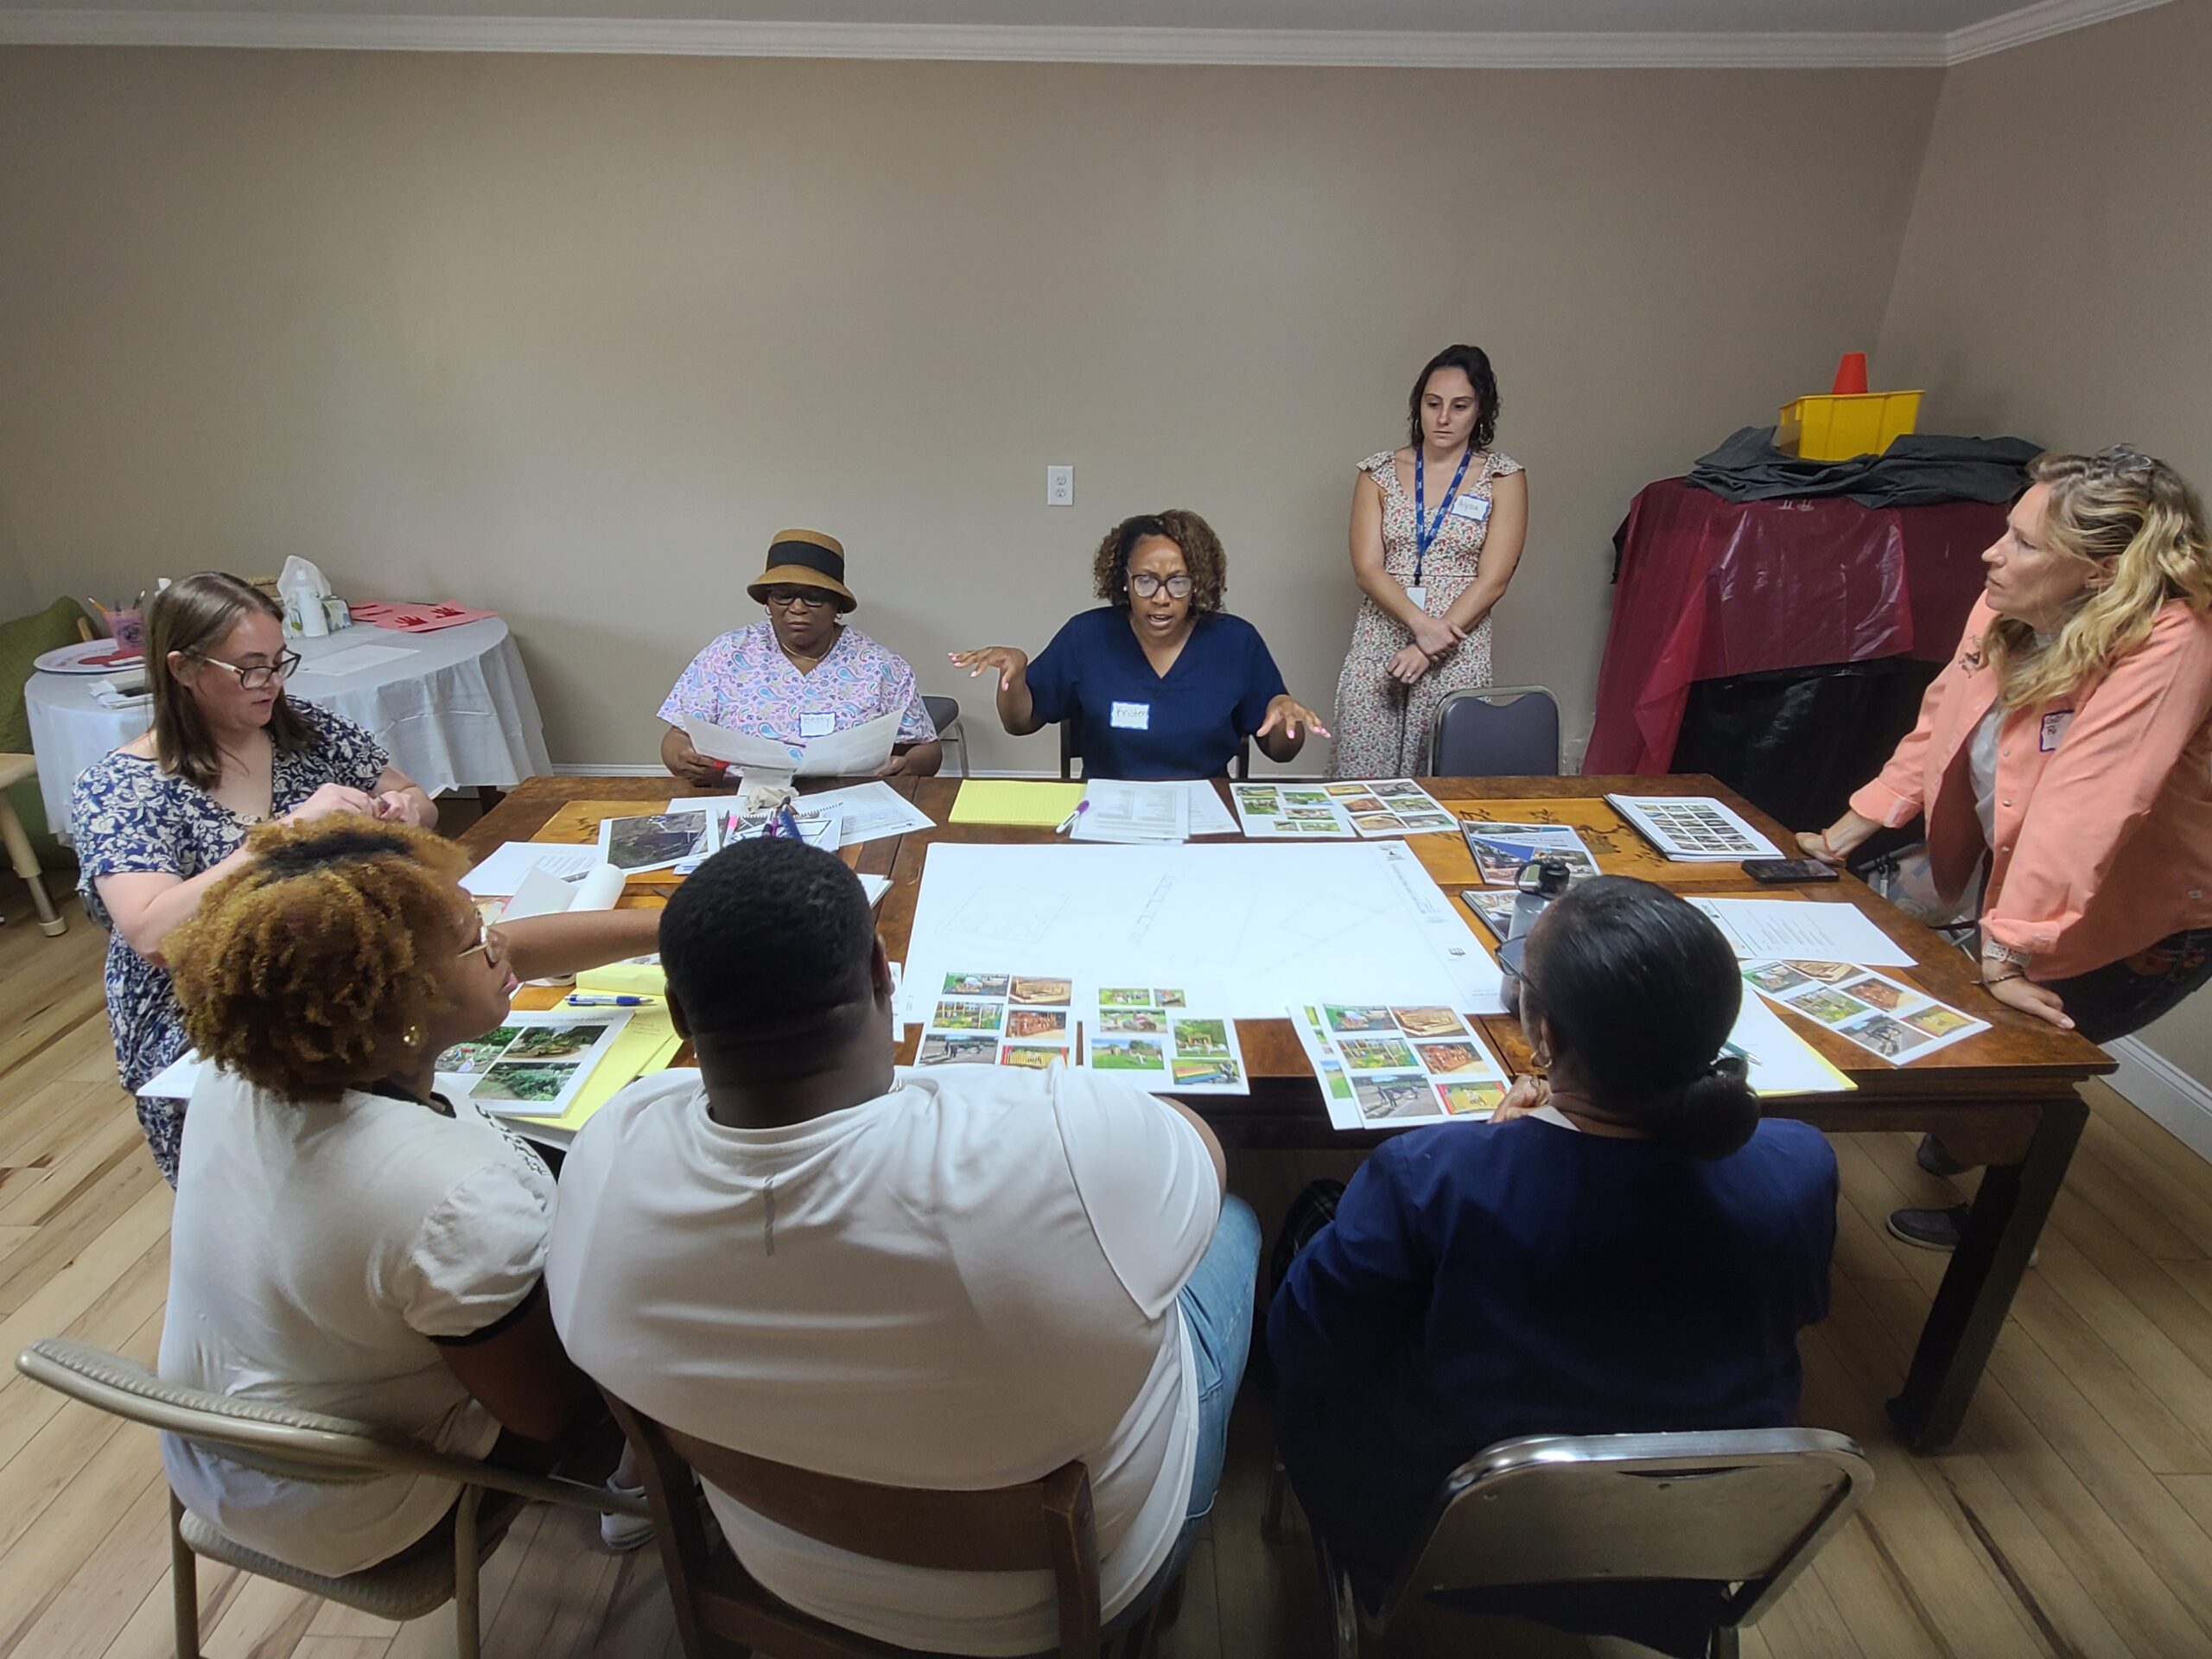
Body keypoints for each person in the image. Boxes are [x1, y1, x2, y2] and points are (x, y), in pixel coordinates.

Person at [545, 838, 1262, 1655]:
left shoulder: (603, 1158)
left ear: (678, 1014)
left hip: (780, 1559)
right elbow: (1201, 1147)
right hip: (1072, 1596)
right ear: (884, 974)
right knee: (1231, 1219)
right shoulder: (1066, 1143)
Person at [1268, 877, 1835, 1649]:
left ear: (1546, 1038)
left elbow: (1307, 1341)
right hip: (1690, 1538)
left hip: (1435, 1522)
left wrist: (1495, 1148)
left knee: (1314, 1229)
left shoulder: (1435, 1174)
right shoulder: (1801, 1165)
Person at [157, 817, 663, 1577]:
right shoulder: (442, 1194)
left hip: (219, 1451)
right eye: (475, 938)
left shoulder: (255, 1058)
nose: (501, 945)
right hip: (363, 1508)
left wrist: (682, 922)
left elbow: (508, 950)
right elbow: (550, 1411)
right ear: (398, 999)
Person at [1801, 447, 2212, 1250]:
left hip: (2143, 913)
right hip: (2021, 872)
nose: (1993, 552)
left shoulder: (2175, 640)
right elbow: (1940, 721)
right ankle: (1960, 1132)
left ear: (2099, 573)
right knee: (1945, 1051)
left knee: (2009, 1075)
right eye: (2006, 531)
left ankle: (1993, 1231)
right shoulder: (2003, 605)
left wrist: (2007, 952)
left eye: (2025, 542)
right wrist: (1845, 833)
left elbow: (2088, 804)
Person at [71, 571, 436, 1185]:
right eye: (249, 668)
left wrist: (406, 812)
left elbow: (409, 793)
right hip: (208, 1017)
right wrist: (282, 836)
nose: (271, 683)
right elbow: (152, 933)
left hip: (332, 972)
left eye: (278, 662)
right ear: (183, 669)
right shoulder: (122, 788)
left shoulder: (302, 733)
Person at [950, 510, 1328, 780]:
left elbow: (1281, 752)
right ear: (1123, 582)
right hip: (1105, 814)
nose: (1161, 597)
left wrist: (1286, 716)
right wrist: (1014, 677)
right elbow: (1020, 723)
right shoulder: (1087, 637)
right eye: (1145, 581)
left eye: (1178, 582)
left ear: (1199, 583)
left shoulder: (1236, 642)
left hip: (1207, 817)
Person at [1329, 344, 1529, 779]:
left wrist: (1430, 644)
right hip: (1381, 636)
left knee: (1445, 779)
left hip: (1458, 643)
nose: (1443, 418)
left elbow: (1494, 579)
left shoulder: (1504, 477)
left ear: (1481, 411)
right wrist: (1420, 626)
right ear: (1417, 404)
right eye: (1433, 404)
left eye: (1459, 406)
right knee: (1362, 778)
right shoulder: (1377, 472)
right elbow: (1366, 567)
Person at [658, 530, 941, 786]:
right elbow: (676, 738)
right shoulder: (727, 653)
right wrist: (684, 759)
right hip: (741, 800)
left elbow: (927, 750)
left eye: (814, 596)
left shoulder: (881, 666)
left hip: (853, 797)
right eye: (783, 595)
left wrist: (909, 765)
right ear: (767, 602)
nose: (796, 608)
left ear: (837, 605)